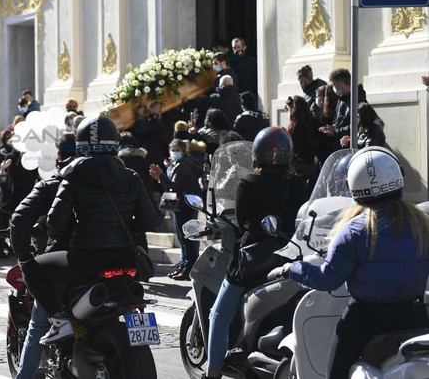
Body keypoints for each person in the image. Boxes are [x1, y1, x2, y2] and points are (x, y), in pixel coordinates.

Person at [279, 146, 429, 379]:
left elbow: (328, 279)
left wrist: (293, 268)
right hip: (413, 317)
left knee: (336, 374)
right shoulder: (422, 224)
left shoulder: (354, 230)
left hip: (364, 322)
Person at [19, 116, 162, 344]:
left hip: (84, 261)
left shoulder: (73, 177)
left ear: (80, 146)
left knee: (30, 269)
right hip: (125, 260)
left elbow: (55, 224)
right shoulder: (131, 177)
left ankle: (60, 320)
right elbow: (150, 221)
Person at [202, 127, 307, 379]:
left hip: (252, 263)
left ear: (256, 155)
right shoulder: (299, 185)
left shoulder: (247, 183)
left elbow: (242, 223)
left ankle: (213, 372)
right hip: (290, 255)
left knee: (218, 313)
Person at [9, 132, 77, 379]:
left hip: (66, 260)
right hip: (112, 259)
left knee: (38, 324)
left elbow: (19, 219)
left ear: (58, 156)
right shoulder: (105, 181)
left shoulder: (53, 185)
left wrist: (25, 257)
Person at [149, 139, 199, 281]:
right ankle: (184, 266)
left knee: (187, 239)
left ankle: (189, 268)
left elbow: (174, 185)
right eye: (173, 149)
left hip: (184, 206)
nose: (174, 152)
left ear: (183, 151)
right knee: (183, 239)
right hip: (182, 206)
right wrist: (161, 177)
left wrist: (161, 175)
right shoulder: (178, 165)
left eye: (177, 149)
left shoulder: (183, 165)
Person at [319, 68, 367, 149]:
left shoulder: (358, 99)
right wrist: (331, 128)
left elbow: (357, 125)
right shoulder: (342, 99)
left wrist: (335, 131)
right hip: (340, 144)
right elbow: (339, 121)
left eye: (334, 84)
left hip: (350, 145)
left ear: (341, 84)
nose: (333, 88)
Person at [285, 95, 319, 195]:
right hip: (312, 162)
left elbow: (293, 144)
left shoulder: (298, 124)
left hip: (301, 164)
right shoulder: (310, 120)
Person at [135, 101, 169, 169]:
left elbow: (140, 131)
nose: (150, 110)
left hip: (152, 156)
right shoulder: (156, 121)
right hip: (155, 155)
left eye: (153, 108)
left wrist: (140, 115)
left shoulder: (158, 123)